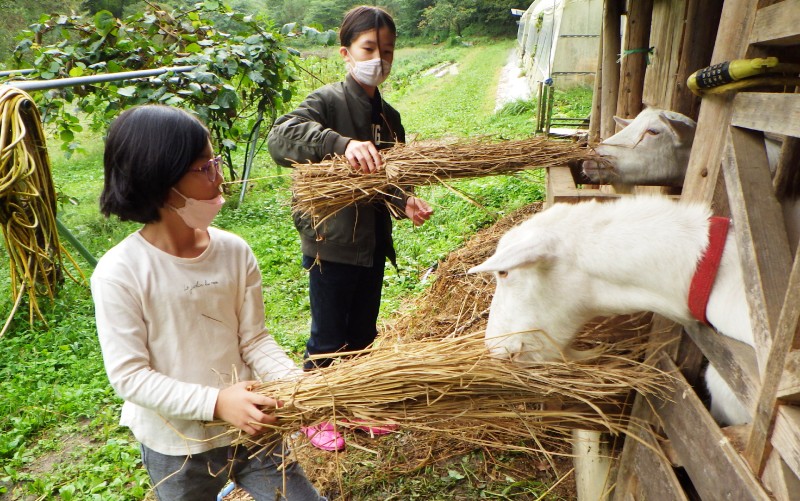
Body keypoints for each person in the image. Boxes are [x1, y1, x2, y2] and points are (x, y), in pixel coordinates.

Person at [91, 105, 325, 501]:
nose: (219, 177)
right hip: (176, 446)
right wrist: (216, 402)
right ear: (159, 178)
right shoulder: (121, 272)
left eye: (215, 161)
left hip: (251, 428)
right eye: (203, 168)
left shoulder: (234, 251)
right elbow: (130, 376)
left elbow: (255, 341)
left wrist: (303, 388)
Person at [267, 6, 433, 452]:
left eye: (388, 51)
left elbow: (392, 180)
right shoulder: (326, 103)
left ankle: (355, 405)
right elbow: (280, 139)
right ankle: (314, 411)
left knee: (362, 333)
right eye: (369, 49)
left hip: (372, 243)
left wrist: (406, 202)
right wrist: (341, 144)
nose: (379, 59)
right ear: (346, 52)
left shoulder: (390, 117)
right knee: (327, 335)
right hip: (332, 242)